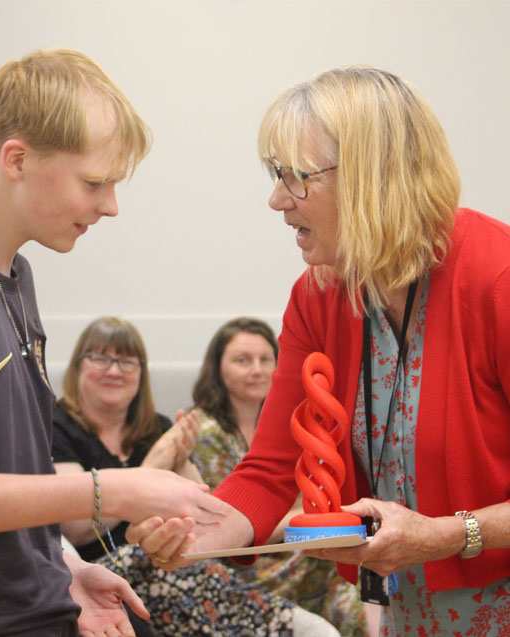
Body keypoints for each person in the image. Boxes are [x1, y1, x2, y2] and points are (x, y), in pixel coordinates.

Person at [126, 65, 510, 636]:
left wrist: (448, 535)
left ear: (371, 177)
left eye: (295, 177)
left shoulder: (495, 275)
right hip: (409, 611)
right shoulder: (319, 295)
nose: (277, 199)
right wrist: (205, 528)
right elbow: (272, 465)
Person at [0, 48, 230, 637]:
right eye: (95, 182)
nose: (110, 205)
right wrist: (116, 488)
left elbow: (16, 476)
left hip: (44, 601)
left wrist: (67, 564)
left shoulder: (15, 278)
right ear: (17, 159)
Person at [52, 316, 340, 637]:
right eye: (101, 358)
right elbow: (76, 528)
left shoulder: (156, 427)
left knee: (189, 565)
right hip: (105, 564)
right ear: (78, 366)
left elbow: (196, 505)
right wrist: (153, 465)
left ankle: (289, 625)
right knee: (170, 567)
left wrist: (183, 458)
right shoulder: (58, 426)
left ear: (141, 373)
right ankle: (285, 625)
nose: (114, 370)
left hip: (173, 557)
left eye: (126, 361)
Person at [189, 316, 369, 636]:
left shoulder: (295, 419)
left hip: (306, 553)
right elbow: (230, 518)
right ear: (217, 368)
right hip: (245, 566)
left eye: (265, 360)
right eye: (243, 360)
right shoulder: (204, 429)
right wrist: (313, 515)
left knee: (357, 597)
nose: (257, 370)